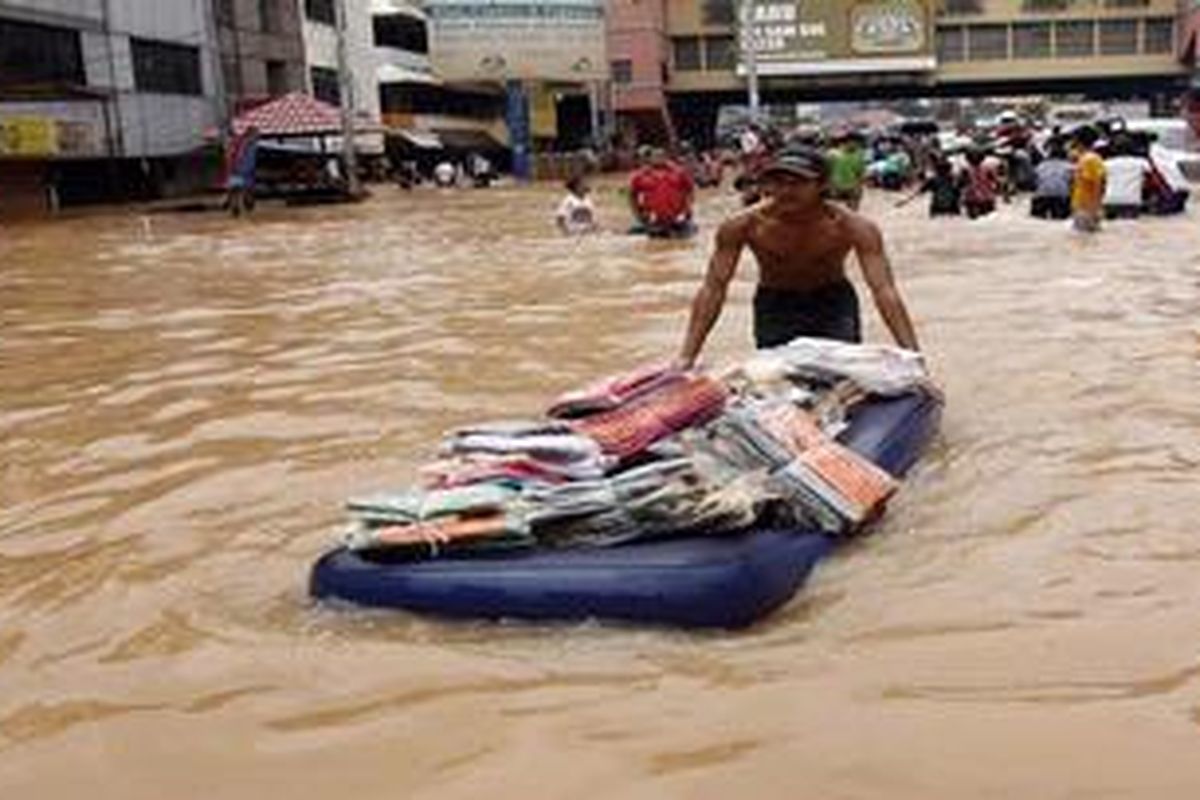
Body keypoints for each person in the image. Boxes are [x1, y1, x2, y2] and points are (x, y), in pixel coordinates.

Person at [676, 146, 922, 369]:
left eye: (798, 182)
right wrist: (687, 356)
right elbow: (713, 288)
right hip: (776, 305)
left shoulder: (853, 226)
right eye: (778, 182)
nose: (785, 191)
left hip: (833, 304)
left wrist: (913, 356)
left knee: (840, 375)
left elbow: (884, 290)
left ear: (822, 185)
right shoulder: (743, 226)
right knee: (779, 379)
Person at [628, 148, 695, 237]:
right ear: (650, 159)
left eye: (661, 156)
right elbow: (632, 195)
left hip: (677, 216)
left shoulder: (679, 172)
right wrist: (638, 214)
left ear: (666, 157)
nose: (659, 159)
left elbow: (690, 190)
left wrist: (688, 208)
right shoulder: (640, 176)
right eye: (656, 156)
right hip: (653, 218)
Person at [1102, 136, 1151, 220]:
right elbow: (1149, 179)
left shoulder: (1106, 164)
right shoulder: (1141, 163)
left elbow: (1101, 181)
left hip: (1110, 200)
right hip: (1132, 200)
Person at [896, 155, 963, 217]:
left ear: (937, 170)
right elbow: (960, 192)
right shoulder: (954, 180)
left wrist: (904, 202)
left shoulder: (933, 180)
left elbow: (918, 192)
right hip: (952, 207)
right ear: (949, 169)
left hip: (938, 207)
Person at [1069, 127, 1106, 233]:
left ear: (1078, 141)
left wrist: (1094, 209)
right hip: (1083, 207)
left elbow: (1098, 184)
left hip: (1086, 208)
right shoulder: (1087, 159)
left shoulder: (1089, 160)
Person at [1030, 141, 1073, 220]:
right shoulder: (1069, 167)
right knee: (1061, 219)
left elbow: (1034, 182)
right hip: (1061, 197)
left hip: (1041, 196)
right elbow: (1073, 183)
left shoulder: (1041, 166)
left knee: (1037, 219)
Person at [224, 126, 261, 217]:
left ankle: (238, 205)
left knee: (242, 188)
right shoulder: (244, 143)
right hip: (240, 169)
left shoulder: (252, 144)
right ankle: (235, 206)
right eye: (256, 134)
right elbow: (238, 155)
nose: (257, 136)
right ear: (251, 134)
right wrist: (235, 165)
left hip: (246, 169)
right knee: (237, 189)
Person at [826, 133, 867, 209]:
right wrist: (830, 185)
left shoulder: (859, 155)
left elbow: (860, 173)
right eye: (856, 143)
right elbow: (827, 171)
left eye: (859, 144)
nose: (858, 145)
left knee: (852, 211)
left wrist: (859, 187)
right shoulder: (832, 154)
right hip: (835, 187)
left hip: (852, 187)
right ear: (848, 141)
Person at [962, 148, 999, 219]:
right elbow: (963, 181)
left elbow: (994, 179)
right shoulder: (966, 169)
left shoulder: (986, 168)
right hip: (975, 194)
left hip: (983, 193)